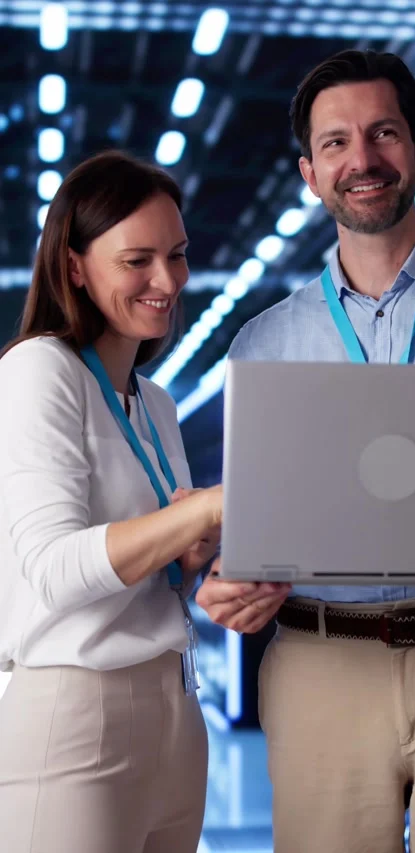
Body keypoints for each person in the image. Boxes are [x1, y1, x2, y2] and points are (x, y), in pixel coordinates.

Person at [196, 50, 415, 853]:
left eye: (384, 133)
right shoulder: (265, 341)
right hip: (320, 660)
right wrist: (227, 579)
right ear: (309, 174)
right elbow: (248, 513)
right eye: (335, 144)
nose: (362, 159)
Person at [0, 150, 223, 853]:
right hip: (76, 712)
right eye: (138, 260)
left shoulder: (154, 402)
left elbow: (153, 573)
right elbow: (53, 569)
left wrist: (193, 557)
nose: (168, 280)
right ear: (74, 265)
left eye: (178, 254)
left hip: (175, 713)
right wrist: (202, 509)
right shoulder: (40, 370)